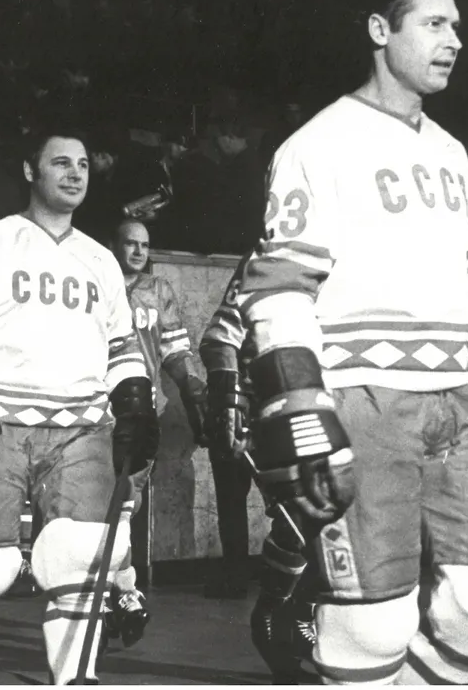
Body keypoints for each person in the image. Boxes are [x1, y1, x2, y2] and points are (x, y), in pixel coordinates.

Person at [235, 0, 468, 685]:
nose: (454, 40)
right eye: (434, 24)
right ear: (380, 30)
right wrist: (302, 405)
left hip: (463, 398)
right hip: (365, 393)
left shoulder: (451, 153)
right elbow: (278, 289)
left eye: (457, 26)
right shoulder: (316, 144)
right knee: (372, 627)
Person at [0, 132, 157, 684]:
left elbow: (121, 347)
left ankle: (76, 676)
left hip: (82, 425)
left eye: (83, 164)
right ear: (30, 170)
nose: (75, 173)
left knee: (83, 557)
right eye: (60, 163)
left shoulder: (101, 259)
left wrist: (135, 400)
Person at [202, 253, 320, 682]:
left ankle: (303, 612)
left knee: (345, 526)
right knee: (301, 519)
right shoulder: (273, 254)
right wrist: (229, 399)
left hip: (336, 407)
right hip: (273, 408)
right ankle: (273, 613)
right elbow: (219, 337)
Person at [108, 219, 207, 640]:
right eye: (130, 243)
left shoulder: (158, 290)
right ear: (113, 245)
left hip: (141, 411)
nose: (138, 252)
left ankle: (121, 591)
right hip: (94, 406)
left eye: (144, 245)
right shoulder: (97, 280)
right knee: (97, 505)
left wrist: (193, 389)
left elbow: (174, 350)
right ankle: (118, 591)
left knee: (124, 506)